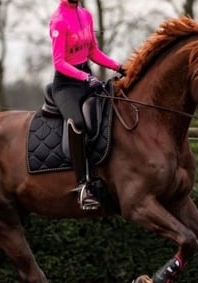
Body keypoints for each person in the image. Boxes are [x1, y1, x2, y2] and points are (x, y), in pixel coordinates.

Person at [48, 0, 125, 210]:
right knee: (78, 123)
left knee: (114, 109)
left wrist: (119, 66)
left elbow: (93, 52)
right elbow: (59, 62)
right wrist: (84, 77)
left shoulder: (86, 15)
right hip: (66, 85)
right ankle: (83, 185)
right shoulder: (58, 21)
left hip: (86, 79)